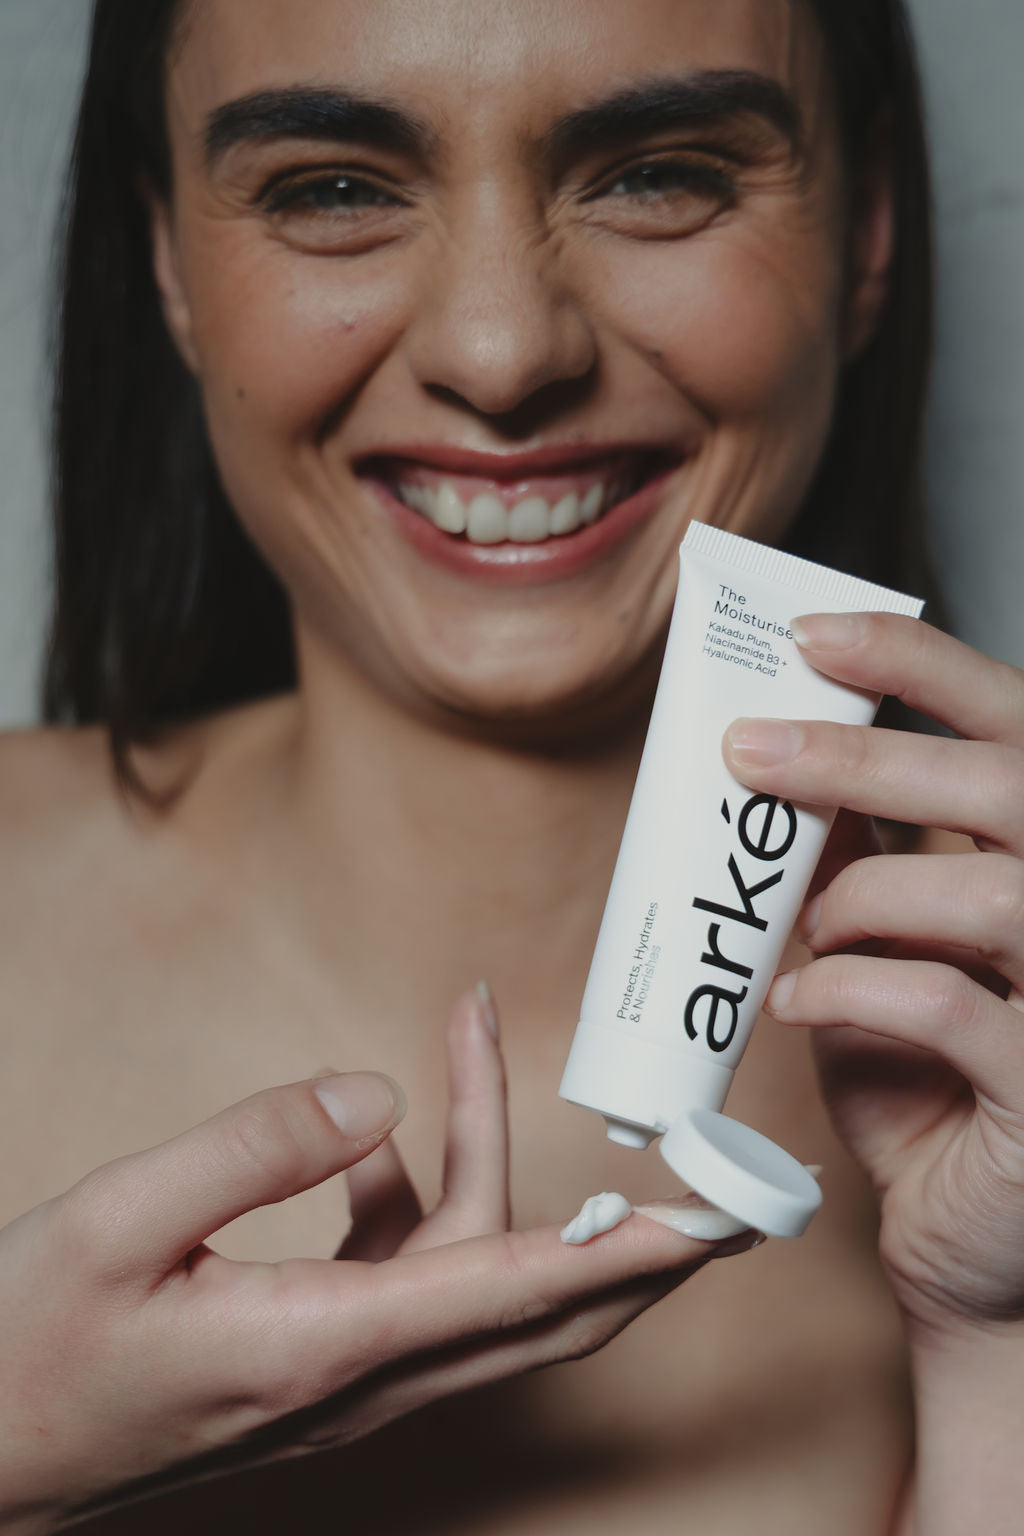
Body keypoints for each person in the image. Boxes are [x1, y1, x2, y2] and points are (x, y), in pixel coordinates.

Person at [1, 0, 1022, 1530]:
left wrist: (997, 1342)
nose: (501, 351)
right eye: (332, 188)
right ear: (166, 259)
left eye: (660, 173)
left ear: (867, 233)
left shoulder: (991, 1064)